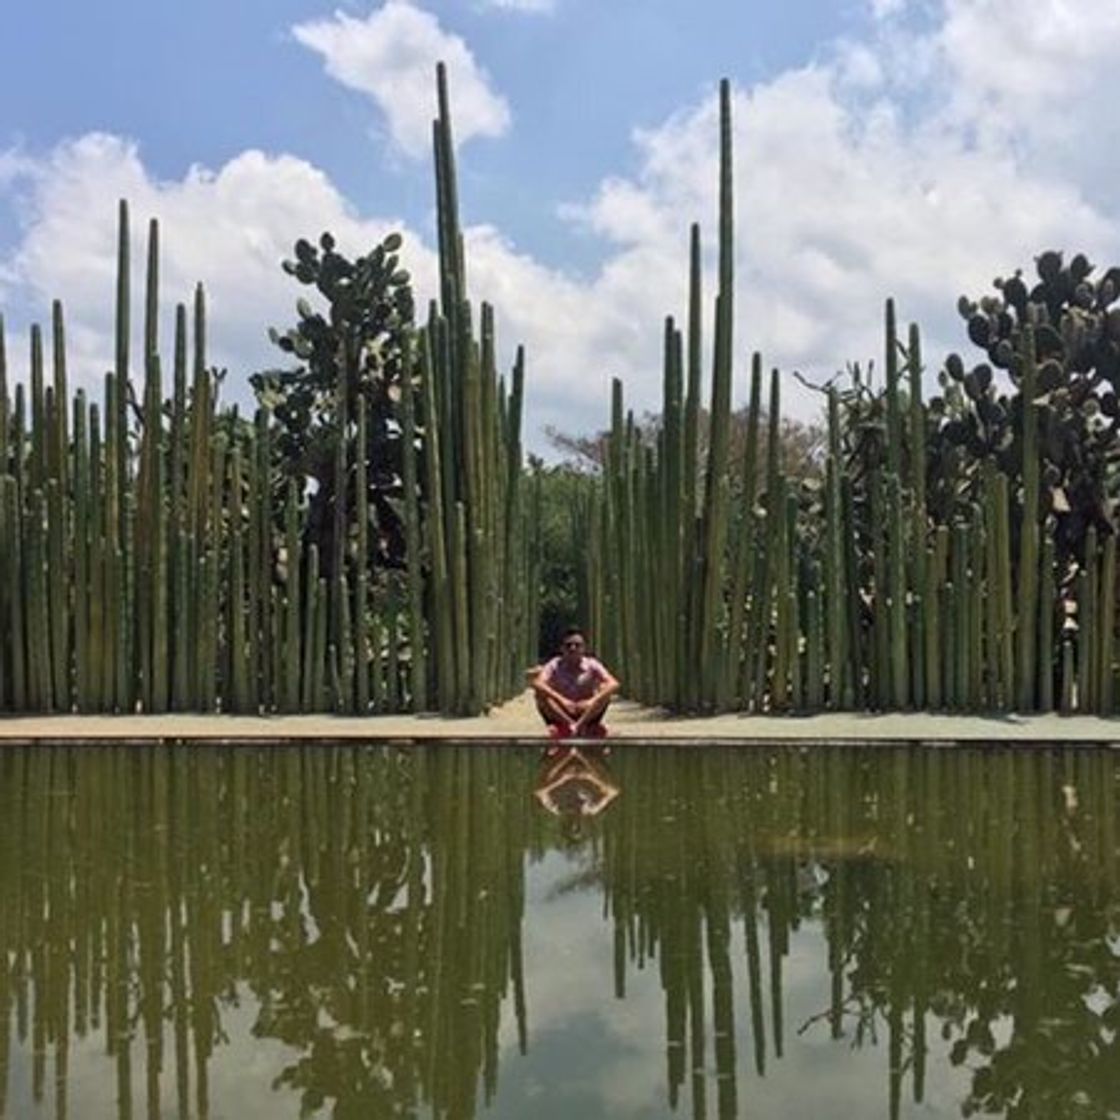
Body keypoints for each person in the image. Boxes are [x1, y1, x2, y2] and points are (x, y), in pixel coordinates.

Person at [531, 628, 620, 738]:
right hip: (561, 711)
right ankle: (571, 725)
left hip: (586, 711)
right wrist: (562, 700)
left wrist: (592, 701)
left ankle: (579, 726)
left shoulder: (592, 664)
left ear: (584, 648)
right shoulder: (554, 664)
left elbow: (613, 683)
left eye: (577, 645)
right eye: (568, 645)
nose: (573, 648)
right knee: (540, 694)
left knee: (605, 690)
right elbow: (537, 683)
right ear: (562, 648)